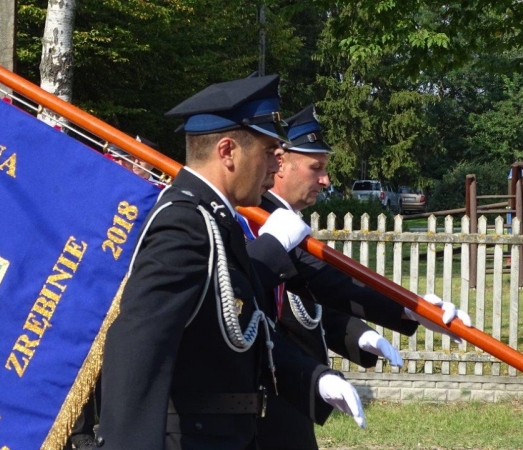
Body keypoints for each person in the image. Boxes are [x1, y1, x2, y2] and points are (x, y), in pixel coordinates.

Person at [96, 75, 363, 450]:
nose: (275, 165)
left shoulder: (216, 220)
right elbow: (137, 348)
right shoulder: (184, 224)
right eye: (268, 151)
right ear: (227, 151)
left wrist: (315, 378)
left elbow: (244, 328)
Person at [242, 105, 472, 449]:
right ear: (281, 164)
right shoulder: (255, 220)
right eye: (316, 168)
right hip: (261, 391)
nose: (326, 180)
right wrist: (408, 308)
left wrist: (411, 308)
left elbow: (326, 284)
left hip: (289, 381)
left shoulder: (278, 220)